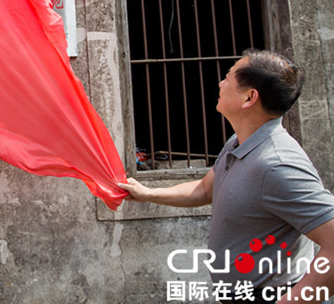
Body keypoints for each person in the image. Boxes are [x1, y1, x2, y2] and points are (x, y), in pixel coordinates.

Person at [119, 49, 334, 304]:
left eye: (228, 77)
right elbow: (205, 189)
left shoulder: (277, 164)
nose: (220, 83)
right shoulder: (239, 142)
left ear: (249, 97)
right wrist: (147, 193)